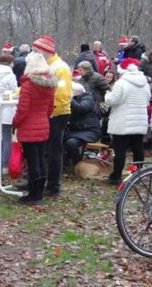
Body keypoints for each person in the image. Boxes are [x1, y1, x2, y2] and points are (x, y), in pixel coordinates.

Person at [29, 36, 72, 197]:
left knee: (53, 151)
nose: (33, 54)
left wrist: (48, 110)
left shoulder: (59, 68)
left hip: (57, 114)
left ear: (44, 51)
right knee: (42, 150)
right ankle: (37, 180)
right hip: (46, 112)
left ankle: (53, 185)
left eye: (35, 51)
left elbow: (62, 95)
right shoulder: (47, 66)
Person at [12, 53, 57, 205]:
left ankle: (34, 195)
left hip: (29, 127)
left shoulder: (28, 85)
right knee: (40, 160)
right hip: (43, 125)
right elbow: (50, 108)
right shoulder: (50, 84)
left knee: (32, 161)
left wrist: (15, 123)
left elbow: (22, 110)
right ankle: (39, 192)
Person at [105, 58, 151, 185]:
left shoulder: (121, 83)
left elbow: (112, 100)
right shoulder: (145, 83)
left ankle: (116, 176)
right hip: (140, 119)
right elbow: (148, 100)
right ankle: (137, 173)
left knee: (120, 150)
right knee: (138, 148)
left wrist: (107, 94)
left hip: (123, 120)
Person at [64, 83, 101, 168]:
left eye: (71, 91)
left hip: (89, 130)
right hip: (75, 130)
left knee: (71, 143)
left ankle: (78, 164)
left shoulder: (87, 98)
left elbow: (80, 108)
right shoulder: (74, 99)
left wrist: (69, 98)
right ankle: (65, 164)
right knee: (58, 140)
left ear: (77, 92)